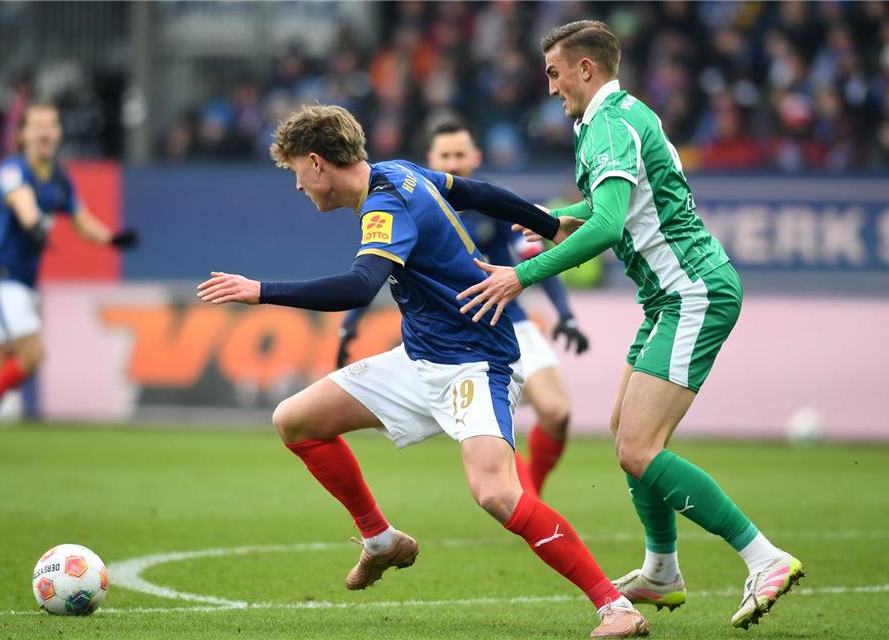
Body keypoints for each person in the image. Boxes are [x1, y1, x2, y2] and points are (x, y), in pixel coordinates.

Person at [197, 104, 648, 638]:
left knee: (496, 494)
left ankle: (615, 606)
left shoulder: (384, 204)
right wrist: (548, 223)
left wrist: (261, 290)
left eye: (295, 169)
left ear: (316, 163)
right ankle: (380, 540)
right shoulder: (401, 172)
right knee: (294, 420)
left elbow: (360, 285)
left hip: (475, 360)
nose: (297, 185)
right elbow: (475, 192)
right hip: (421, 358)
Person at [456, 20, 804, 630]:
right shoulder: (619, 118)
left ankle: (763, 557)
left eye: (555, 72)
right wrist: (556, 220)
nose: (550, 86)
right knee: (626, 433)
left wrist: (520, 277)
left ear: (586, 68)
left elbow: (613, 223)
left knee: (639, 447)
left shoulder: (609, 125)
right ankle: (662, 570)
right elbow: (609, 207)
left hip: (690, 291)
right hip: (668, 296)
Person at [336, 120, 589, 498]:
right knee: (487, 430)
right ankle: (525, 499)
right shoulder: (414, 202)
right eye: (446, 156)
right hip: (452, 335)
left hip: (508, 321)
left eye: (460, 155)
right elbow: (373, 269)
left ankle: (530, 489)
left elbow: (533, 256)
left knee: (556, 413)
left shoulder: (492, 204)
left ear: (476, 157)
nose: (453, 163)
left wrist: (565, 314)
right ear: (431, 159)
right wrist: (351, 324)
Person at [0, 103, 137, 465]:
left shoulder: (61, 179)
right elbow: (22, 201)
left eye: (51, 125)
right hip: (0, 279)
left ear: (60, 133)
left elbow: (81, 220)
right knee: (33, 354)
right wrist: (34, 222)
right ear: (23, 135)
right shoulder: (12, 170)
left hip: (20, 283)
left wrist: (112, 240)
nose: (45, 132)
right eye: (37, 126)